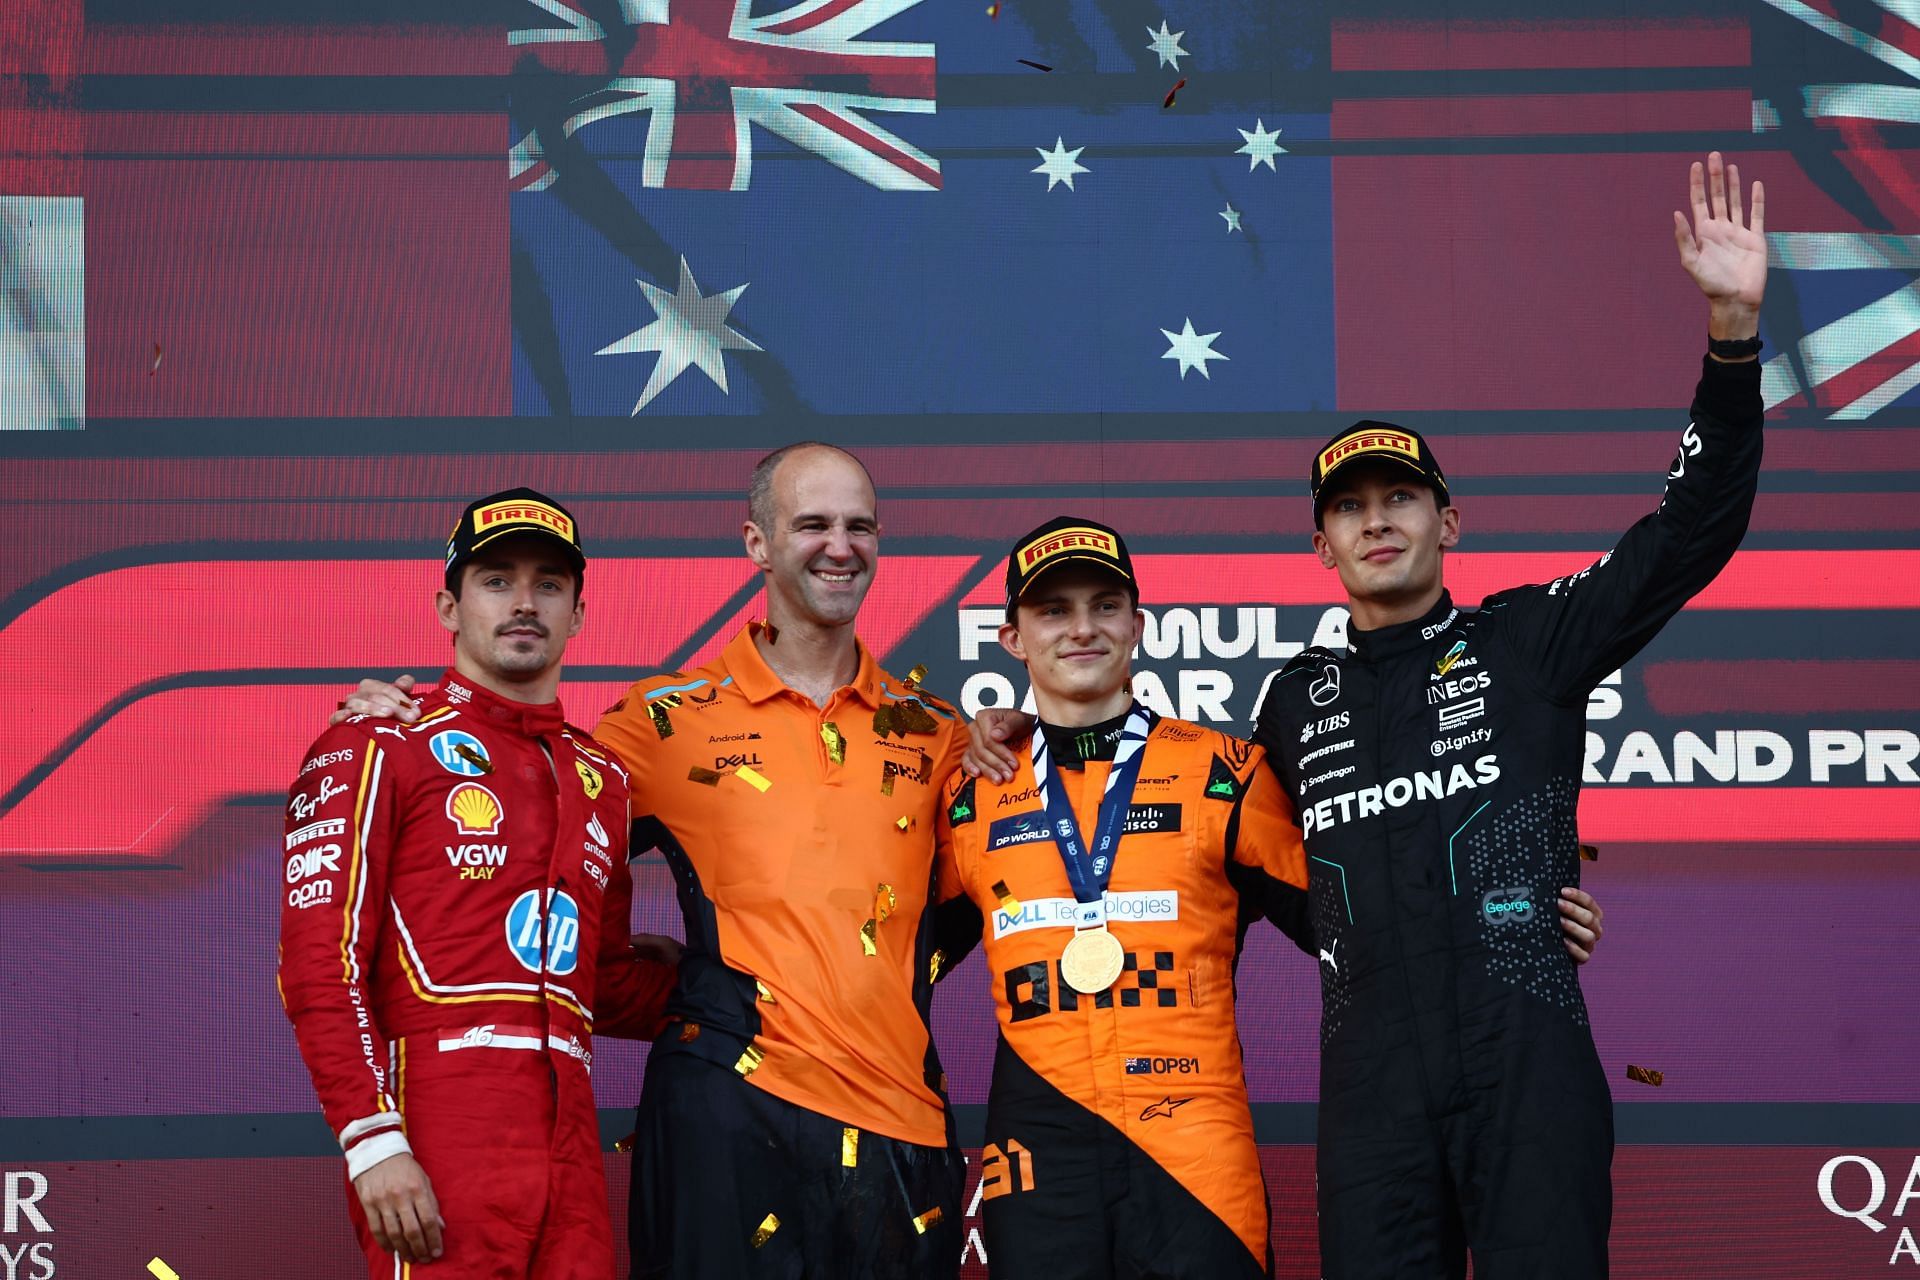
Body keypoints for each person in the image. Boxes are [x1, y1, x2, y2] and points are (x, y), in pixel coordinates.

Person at [1257, 152, 1762, 1277]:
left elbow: (1688, 533)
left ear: (1451, 520)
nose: (1377, 521)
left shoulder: (1528, 639)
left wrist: (1732, 338)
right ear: (1321, 545)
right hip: (1372, 1097)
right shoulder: (1292, 702)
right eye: (1350, 507)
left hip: (1528, 1067)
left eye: (1401, 498)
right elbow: (1224, 857)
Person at [335, 445, 969, 1279]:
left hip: (902, 1119)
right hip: (728, 1112)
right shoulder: (661, 724)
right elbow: (517, 831)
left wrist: (1021, 742)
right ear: (757, 543)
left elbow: (1008, 888)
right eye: (812, 524)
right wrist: (403, 716)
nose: (838, 546)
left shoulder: (939, 732)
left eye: (859, 526)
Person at [280, 487, 676, 1278]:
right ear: (449, 607)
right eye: (497, 580)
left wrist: (745, 988)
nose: (525, 603)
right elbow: (319, 963)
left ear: (579, 614)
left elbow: (601, 982)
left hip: (570, 1141)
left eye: (549, 584)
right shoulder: (378, 741)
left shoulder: (603, 776)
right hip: (438, 1123)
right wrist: (372, 1141)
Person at [933, 517, 1311, 1277]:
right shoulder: (971, 794)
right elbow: (888, 972)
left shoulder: (1225, 772)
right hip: (1039, 1147)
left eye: (1104, 606)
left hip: (1194, 1143)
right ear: (1012, 638)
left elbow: (1355, 928)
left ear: (1138, 625)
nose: (1082, 629)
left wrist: (1512, 921)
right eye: (1053, 610)